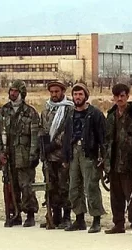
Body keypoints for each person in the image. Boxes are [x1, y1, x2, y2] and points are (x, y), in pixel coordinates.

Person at [0, 80, 40, 227]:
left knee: (26, 186)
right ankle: (14, 213)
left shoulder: (30, 112)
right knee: (10, 186)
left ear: (22, 93)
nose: (12, 94)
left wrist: (33, 155)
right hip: (8, 155)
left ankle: (30, 214)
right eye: (11, 91)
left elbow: (35, 137)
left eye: (15, 91)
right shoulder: (2, 112)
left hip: (24, 155)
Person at [103, 83, 132, 236]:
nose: (119, 99)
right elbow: (106, 140)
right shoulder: (110, 115)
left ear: (128, 96)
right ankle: (118, 224)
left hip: (130, 163)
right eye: (116, 96)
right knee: (115, 197)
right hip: (113, 162)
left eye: (122, 95)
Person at [65, 83, 107, 233]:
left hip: (89, 153)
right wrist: (66, 156)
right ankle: (79, 219)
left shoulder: (95, 114)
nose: (77, 97)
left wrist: (102, 157)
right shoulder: (70, 114)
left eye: (80, 94)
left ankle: (96, 220)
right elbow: (66, 136)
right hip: (73, 153)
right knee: (74, 187)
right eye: (75, 94)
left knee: (91, 187)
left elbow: (103, 137)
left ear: (86, 96)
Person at [39, 81, 74, 229]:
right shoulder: (46, 110)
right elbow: (42, 129)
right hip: (49, 156)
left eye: (57, 91)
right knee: (51, 186)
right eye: (52, 92)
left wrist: (54, 144)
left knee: (64, 186)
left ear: (62, 92)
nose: (54, 94)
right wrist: (43, 146)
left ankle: (67, 216)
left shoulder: (69, 109)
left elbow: (68, 130)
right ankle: (55, 215)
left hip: (62, 155)